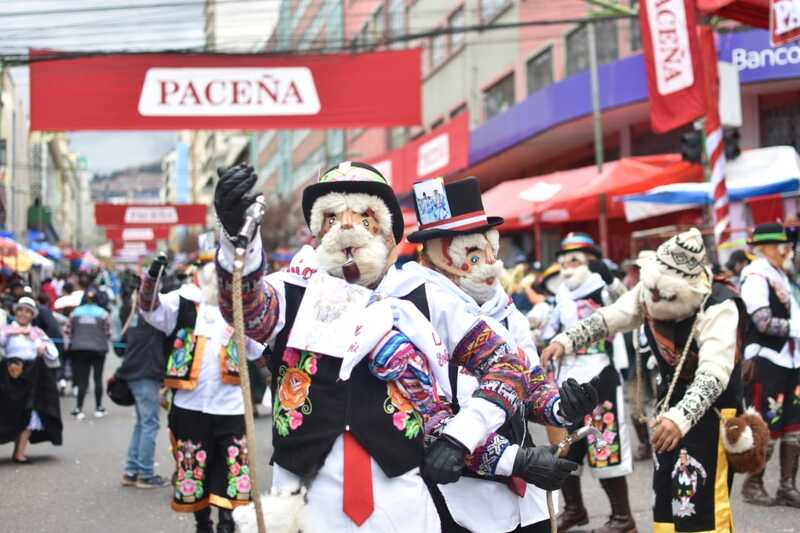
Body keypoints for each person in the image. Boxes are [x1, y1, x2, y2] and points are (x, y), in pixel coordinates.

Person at [215, 162, 531, 532]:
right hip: (304, 503)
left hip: (401, 502)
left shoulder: (424, 298)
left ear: (388, 234)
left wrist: (461, 437)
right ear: (317, 233)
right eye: (331, 218)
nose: (346, 228)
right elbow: (248, 310)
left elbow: (507, 366)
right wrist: (238, 236)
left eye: (365, 218)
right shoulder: (292, 293)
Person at [403, 176, 597, 533]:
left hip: (526, 497)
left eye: (491, 253)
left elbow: (529, 380)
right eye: (473, 254)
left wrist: (560, 407)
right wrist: (513, 460)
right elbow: (429, 418)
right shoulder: (414, 310)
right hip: (459, 499)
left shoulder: (502, 308)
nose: (489, 265)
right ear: (432, 256)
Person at [542, 228, 747, 533]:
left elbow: (713, 375)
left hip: (711, 414)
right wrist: (567, 339)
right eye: (650, 291)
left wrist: (680, 419)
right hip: (667, 408)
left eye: (662, 295)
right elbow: (610, 317)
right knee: (665, 498)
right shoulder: (649, 289)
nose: (653, 299)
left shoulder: (719, 305)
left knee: (698, 502)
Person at [139, 257, 265, 533]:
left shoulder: (240, 310)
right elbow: (149, 309)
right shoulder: (183, 301)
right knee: (193, 467)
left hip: (230, 407)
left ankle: (227, 523)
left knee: (233, 467)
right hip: (189, 405)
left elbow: (259, 348)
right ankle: (203, 524)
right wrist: (152, 278)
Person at [539, 232, 635, 533]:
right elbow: (549, 328)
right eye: (564, 260)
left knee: (605, 446)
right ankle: (575, 509)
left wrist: (612, 281)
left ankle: (623, 518)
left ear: (589, 263)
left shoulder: (603, 289)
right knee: (568, 448)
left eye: (575, 260)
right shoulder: (562, 295)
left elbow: (628, 305)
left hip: (600, 376)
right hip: (569, 380)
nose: (567, 266)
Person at [739, 223, 800, 508]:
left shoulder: (781, 275)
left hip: (791, 358)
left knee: (793, 424)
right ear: (763, 248)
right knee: (767, 423)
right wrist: (795, 326)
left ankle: (787, 486)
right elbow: (762, 321)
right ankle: (754, 483)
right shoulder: (755, 276)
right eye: (779, 245)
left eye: (786, 244)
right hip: (769, 359)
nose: (785, 249)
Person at [115, 276, 170, 490]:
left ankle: (131, 471)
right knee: (150, 424)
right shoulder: (151, 316)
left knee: (141, 423)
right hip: (146, 373)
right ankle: (145, 474)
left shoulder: (134, 313)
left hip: (133, 373)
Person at [0, 297, 62, 463]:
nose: (23, 314)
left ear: (32, 315)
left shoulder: (37, 333)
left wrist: (42, 346)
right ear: (15, 311)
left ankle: (19, 453)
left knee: (29, 413)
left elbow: (53, 354)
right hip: (10, 377)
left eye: (27, 311)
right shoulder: (6, 330)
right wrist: (14, 333)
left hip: (32, 377)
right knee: (6, 412)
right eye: (20, 310)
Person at [66, 288, 111, 420]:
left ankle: (78, 408)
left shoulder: (75, 313)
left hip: (79, 350)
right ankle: (98, 408)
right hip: (98, 350)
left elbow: (68, 331)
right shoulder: (103, 314)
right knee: (98, 378)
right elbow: (108, 333)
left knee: (82, 380)